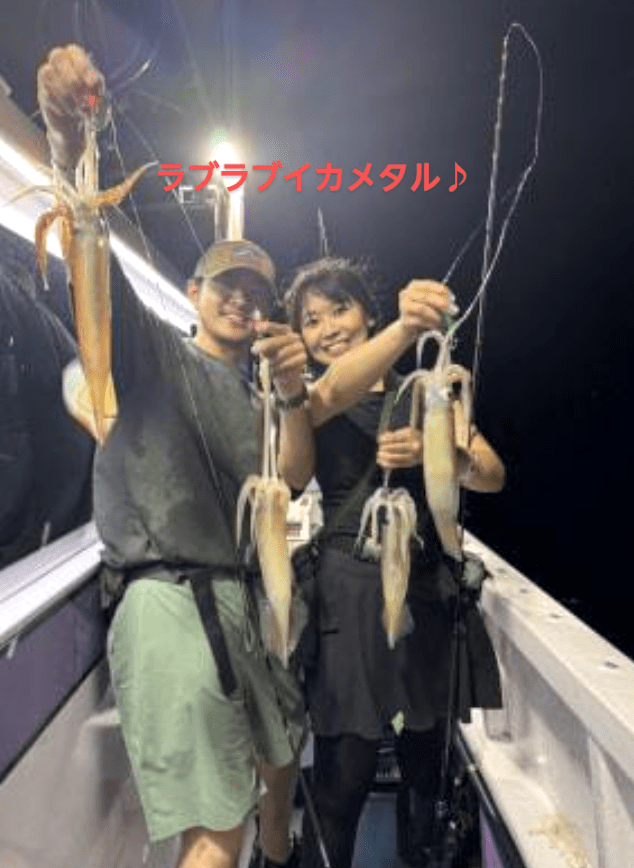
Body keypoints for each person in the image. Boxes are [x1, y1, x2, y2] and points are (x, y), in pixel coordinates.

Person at [36, 46, 448, 868]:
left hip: (247, 604)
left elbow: (296, 462)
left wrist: (307, 382)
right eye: (224, 283)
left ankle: (280, 853)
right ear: (192, 294)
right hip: (168, 600)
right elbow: (91, 260)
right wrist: (68, 141)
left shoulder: (264, 393)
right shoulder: (154, 351)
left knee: (280, 762)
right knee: (214, 832)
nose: (241, 297)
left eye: (257, 290)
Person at [283, 258, 506, 868]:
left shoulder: (429, 391)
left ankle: (418, 854)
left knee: (425, 759)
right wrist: (406, 328)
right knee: (345, 772)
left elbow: (491, 474)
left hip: (426, 585)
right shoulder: (310, 397)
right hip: (350, 590)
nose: (327, 328)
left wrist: (443, 453)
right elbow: (332, 393)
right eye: (311, 320)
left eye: (340, 309)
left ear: (367, 312)